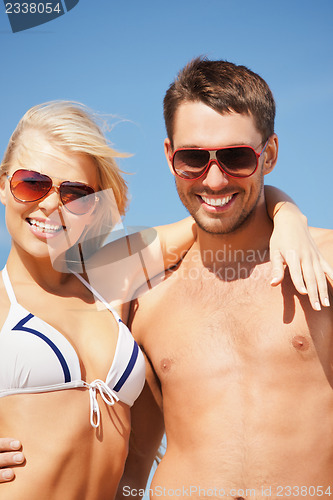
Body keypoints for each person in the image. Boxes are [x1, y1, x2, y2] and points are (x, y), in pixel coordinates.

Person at [0, 98, 330, 499]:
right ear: (3, 184)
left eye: (75, 193)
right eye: (31, 183)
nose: (51, 203)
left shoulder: (111, 278)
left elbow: (212, 214)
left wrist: (289, 217)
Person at [113, 58, 333, 499]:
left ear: (268, 154)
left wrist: (287, 212)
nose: (214, 180)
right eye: (193, 158)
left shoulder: (323, 264)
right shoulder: (144, 292)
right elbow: (134, 464)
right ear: (169, 156)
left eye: (236, 157)